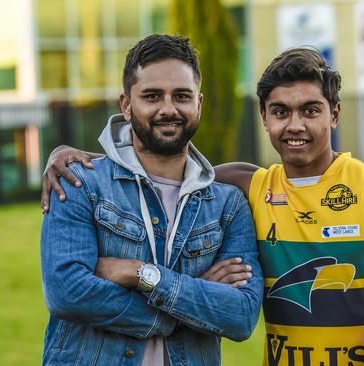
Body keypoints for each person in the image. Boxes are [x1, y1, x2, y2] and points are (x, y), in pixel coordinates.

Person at [42, 47, 364, 366]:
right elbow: (163, 158)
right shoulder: (247, 185)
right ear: (263, 116)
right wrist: (76, 157)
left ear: (334, 115)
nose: (294, 125)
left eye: (310, 111)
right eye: (280, 112)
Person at [40, 34, 263, 366]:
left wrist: (142, 274)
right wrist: (187, 302)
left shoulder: (227, 205)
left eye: (182, 96)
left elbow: (241, 316)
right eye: (152, 96)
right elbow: (68, 293)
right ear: (127, 105)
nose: (168, 108)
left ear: (198, 103)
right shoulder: (78, 182)